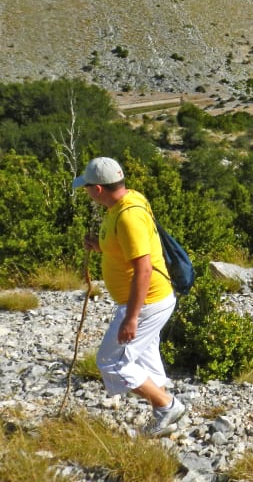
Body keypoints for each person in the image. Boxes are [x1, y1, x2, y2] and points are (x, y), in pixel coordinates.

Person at [74, 156, 186, 436]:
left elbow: (144, 270)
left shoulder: (128, 216)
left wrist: (131, 318)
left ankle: (167, 406)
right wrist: (100, 247)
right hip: (147, 301)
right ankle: (163, 420)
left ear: (98, 189)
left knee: (110, 361)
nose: (85, 191)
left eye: (87, 187)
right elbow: (127, 249)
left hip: (145, 303)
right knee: (143, 359)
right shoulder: (125, 201)